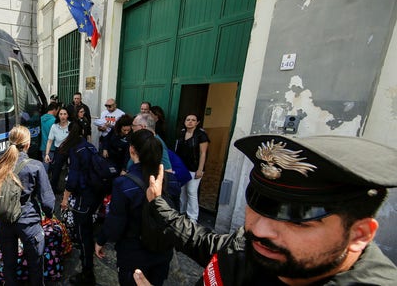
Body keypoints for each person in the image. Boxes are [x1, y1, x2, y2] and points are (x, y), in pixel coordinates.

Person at [134, 135, 397, 286]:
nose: (258, 229)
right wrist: (158, 203)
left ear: (359, 235)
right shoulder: (258, 245)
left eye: (298, 219)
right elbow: (205, 242)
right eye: (258, 206)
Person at [95, 129, 174, 286]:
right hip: (162, 251)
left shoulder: (123, 184)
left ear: (132, 150)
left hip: (134, 254)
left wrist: (101, 240)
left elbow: (115, 222)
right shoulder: (169, 180)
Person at [0, 125, 55, 286]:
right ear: (27, 144)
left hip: (5, 223)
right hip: (29, 223)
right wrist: (49, 214)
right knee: (35, 264)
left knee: (9, 264)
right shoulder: (35, 166)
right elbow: (47, 200)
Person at [59, 122, 101, 285]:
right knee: (87, 229)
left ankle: (87, 274)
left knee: (83, 235)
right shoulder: (89, 147)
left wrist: (64, 199)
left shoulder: (75, 150)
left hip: (84, 196)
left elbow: (73, 180)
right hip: (94, 194)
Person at [174, 114, 209, 222]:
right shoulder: (181, 133)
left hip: (195, 168)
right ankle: (182, 212)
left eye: (193, 120)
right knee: (182, 191)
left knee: (191, 191)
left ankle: (193, 217)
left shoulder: (201, 135)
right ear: (184, 122)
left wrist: (200, 169)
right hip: (182, 167)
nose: (190, 122)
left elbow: (203, 153)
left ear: (197, 122)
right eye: (188, 119)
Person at [44, 107, 70, 194]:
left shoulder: (71, 126)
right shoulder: (54, 126)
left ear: (68, 115)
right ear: (58, 115)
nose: (62, 116)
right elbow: (50, 140)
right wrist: (47, 154)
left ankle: (70, 191)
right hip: (59, 151)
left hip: (70, 151)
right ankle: (53, 190)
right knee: (56, 172)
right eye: (61, 114)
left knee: (72, 171)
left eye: (65, 114)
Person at [40, 102, 58, 172]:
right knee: (53, 169)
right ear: (54, 110)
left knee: (45, 167)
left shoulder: (41, 119)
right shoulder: (54, 121)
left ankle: (43, 181)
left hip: (43, 147)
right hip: (53, 148)